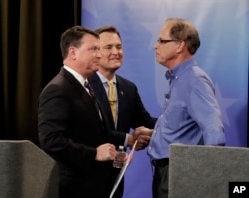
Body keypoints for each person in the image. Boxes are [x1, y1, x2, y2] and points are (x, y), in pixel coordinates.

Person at [38, 25, 151, 198]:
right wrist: (94, 154)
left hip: (95, 186)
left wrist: (116, 154)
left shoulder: (84, 86)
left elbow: (97, 133)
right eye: (93, 49)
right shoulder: (58, 89)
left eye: (99, 49)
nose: (99, 55)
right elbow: (51, 141)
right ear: (73, 52)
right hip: (73, 189)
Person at [147, 18, 226, 198]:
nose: (156, 46)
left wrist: (211, 176)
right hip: (166, 173)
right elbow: (181, 126)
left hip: (179, 174)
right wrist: (154, 133)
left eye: (161, 40)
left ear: (180, 45)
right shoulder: (179, 79)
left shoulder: (195, 80)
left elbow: (213, 128)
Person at [88, 25, 157, 198]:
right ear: (96, 52)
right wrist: (129, 139)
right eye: (108, 47)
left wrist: (174, 122)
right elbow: (94, 130)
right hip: (88, 173)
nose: (116, 52)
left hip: (117, 173)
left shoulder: (128, 88)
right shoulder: (85, 85)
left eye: (119, 47)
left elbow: (145, 121)